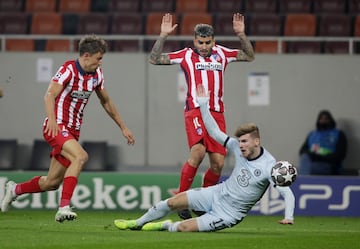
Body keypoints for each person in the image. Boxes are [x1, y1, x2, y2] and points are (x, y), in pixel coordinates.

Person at [113, 84, 295, 233]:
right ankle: (136, 223)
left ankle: (166, 225)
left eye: (245, 142)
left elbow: (286, 192)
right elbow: (214, 131)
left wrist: (289, 217)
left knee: (183, 228)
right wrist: (203, 105)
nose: (240, 145)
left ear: (257, 142)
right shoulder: (236, 147)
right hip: (217, 193)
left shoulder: (269, 166)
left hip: (228, 214)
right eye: (239, 141)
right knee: (172, 202)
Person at [0, 34, 135, 222]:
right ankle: (63, 207)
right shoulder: (68, 69)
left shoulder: (96, 75)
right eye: (99, 58)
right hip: (56, 127)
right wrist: (52, 120)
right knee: (81, 157)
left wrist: (123, 127)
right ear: (86, 56)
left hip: (72, 132)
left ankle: (14, 189)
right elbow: (49, 95)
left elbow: (106, 101)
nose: (100, 62)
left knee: (52, 183)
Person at [148, 13, 255, 219]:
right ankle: (180, 200)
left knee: (218, 164)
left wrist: (241, 34)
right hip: (195, 111)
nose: (204, 46)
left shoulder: (222, 54)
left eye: (207, 42)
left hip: (216, 114)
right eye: (200, 42)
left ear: (213, 41)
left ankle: (203, 201)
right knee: (197, 152)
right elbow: (154, 59)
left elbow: (249, 56)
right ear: (194, 41)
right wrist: (162, 36)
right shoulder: (186, 55)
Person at [299, 110, 347, 175]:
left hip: (329, 164)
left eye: (326, 119)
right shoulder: (312, 134)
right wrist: (312, 154)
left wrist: (321, 157)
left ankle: (302, 180)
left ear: (330, 120)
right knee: (304, 158)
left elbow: (340, 154)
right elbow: (302, 150)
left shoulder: (338, 134)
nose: (323, 121)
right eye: (321, 119)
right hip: (312, 161)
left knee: (307, 168)